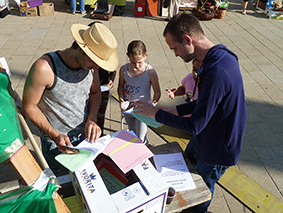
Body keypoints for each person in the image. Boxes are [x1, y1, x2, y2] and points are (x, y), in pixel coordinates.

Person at [133, 13, 247, 212]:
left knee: (199, 194)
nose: (175, 54)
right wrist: (173, 109)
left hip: (217, 149)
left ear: (188, 39)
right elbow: (204, 104)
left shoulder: (216, 72)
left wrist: (156, 114)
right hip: (206, 136)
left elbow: (195, 124)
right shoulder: (219, 56)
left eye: (174, 48)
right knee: (185, 175)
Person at [22, 22, 118, 173]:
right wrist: (54, 135)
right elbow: (29, 106)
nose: (96, 67)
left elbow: (95, 92)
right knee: (64, 186)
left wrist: (92, 119)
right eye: (94, 61)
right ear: (80, 49)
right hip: (56, 143)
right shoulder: (45, 68)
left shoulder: (92, 67)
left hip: (85, 139)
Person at [117, 40, 161, 144]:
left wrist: (153, 104)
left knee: (140, 137)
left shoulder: (150, 72)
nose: (136, 66)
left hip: (143, 109)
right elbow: (120, 86)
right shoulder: (124, 69)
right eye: (133, 62)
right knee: (132, 133)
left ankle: (143, 151)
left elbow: (157, 92)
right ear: (128, 56)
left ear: (146, 56)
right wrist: (121, 99)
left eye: (139, 62)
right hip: (128, 107)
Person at [97, 67, 116, 135]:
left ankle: (99, 134)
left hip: (103, 88)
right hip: (88, 88)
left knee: (101, 114)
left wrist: (111, 79)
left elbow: (113, 69)